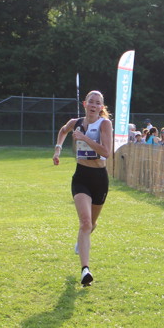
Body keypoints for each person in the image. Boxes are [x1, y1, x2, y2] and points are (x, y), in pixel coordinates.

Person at [53, 90, 113, 287]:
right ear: (85, 104)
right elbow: (63, 131)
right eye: (91, 102)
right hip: (81, 177)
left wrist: (84, 138)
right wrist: (58, 149)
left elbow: (106, 152)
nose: (94, 105)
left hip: (99, 178)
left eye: (97, 103)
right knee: (85, 222)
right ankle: (85, 270)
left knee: (91, 224)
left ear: (101, 107)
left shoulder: (104, 124)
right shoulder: (75, 122)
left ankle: (82, 240)